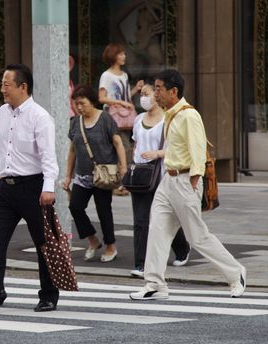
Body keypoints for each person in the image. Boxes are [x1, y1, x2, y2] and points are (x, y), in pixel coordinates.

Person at [131, 69, 246, 300]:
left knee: (197, 236)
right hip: (168, 180)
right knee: (157, 230)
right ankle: (155, 283)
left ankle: (236, 274)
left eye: (159, 89)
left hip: (185, 180)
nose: (155, 94)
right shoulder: (170, 114)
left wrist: (194, 180)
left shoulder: (188, 115)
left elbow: (197, 150)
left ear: (174, 91)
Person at [0, 64, 59, 312]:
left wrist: (49, 188)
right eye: (1, 84)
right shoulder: (2, 113)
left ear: (23, 87)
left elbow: (48, 157)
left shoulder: (40, 117)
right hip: (5, 188)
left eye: (7, 84)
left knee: (43, 243)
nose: (2, 89)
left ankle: (48, 294)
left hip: (34, 187)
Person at [128, 83, 190, 278]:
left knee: (163, 218)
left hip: (160, 175)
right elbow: (136, 145)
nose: (143, 98)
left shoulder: (167, 120)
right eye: (141, 94)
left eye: (146, 94)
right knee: (141, 220)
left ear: (156, 96)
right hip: (139, 175)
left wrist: (156, 154)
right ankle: (141, 264)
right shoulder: (138, 119)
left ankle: (182, 248)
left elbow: (174, 148)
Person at [62, 85, 126, 263]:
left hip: (103, 174)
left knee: (104, 210)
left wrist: (123, 166)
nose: (79, 107)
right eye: (76, 104)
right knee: (75, 207)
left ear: (92, 102)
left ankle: (111, 246)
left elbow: (118, 142)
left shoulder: (105, 119)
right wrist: (68, 175)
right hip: (82, 176)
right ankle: (93, 240)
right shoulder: (75, 122)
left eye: (82, 103)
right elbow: (73, 150)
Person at [98, 43, 143, 194]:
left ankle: (119, 182)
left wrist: (136, 89)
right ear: (113, 56)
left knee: (123, 147)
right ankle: (118, 183)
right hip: (111, 117)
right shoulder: (106, 76)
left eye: (124, 54)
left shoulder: (123, 75)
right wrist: (120, 102)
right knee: (120, 147)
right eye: (121, 54)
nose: (124, 56)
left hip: (123, 117)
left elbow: (124, 98)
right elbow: (102, 98)